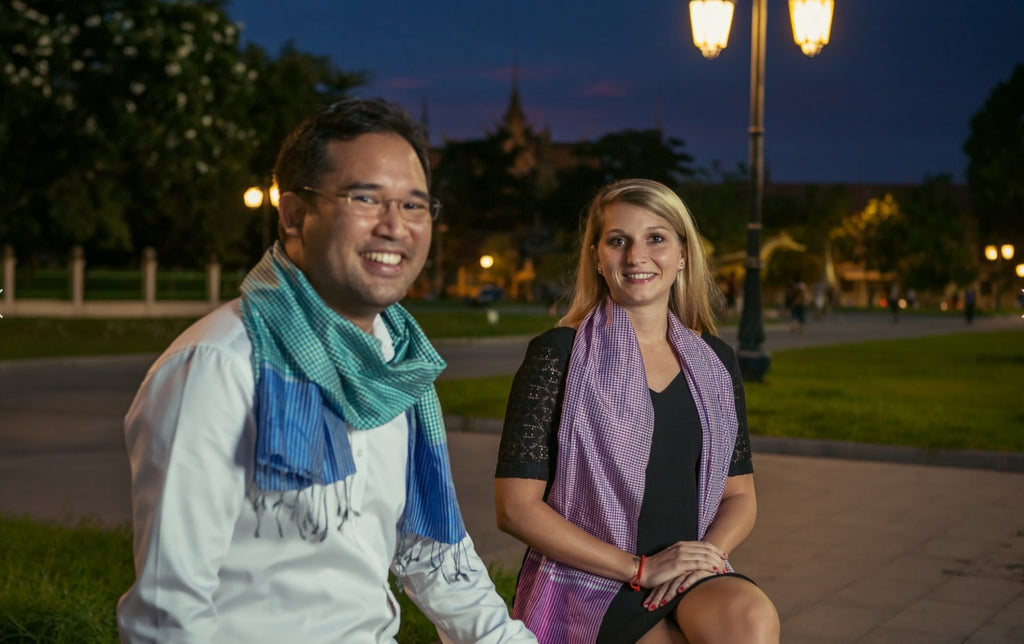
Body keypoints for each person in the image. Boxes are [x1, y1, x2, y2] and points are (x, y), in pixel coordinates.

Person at [117, 98, 536, 643]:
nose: (395, 227)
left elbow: (437, 561)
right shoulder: (220, 366)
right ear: (294, 215)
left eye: (413, 206)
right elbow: (166, 616)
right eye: (365, 198)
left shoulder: (399, 368)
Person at [494, 179, 779, 643]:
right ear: (596, 255)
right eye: (618, 240)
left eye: (656, 238)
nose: (636, 256)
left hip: (690, 572)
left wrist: (706, 556)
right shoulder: (557, 355)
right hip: (589, 580)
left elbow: (740, 497)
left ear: (684, 253)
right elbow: (515, 509)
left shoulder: (716, 362)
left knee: (751, 619)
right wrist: (640, 568)